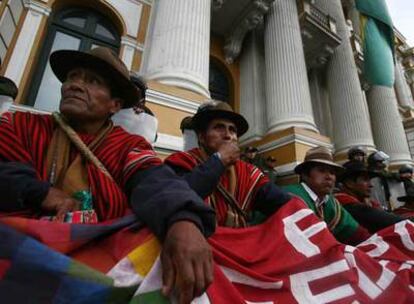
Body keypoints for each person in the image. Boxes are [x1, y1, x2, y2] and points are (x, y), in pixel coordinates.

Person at [0, 47, 216, 303]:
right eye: (73, 77)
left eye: (92, 81)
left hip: (95, 255)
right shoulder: (17, 125)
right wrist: (41, 192)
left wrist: (183, 221)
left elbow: (154, 180)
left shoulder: (127, 146)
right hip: (21, 247)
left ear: (114, 104)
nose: (75, 86)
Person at [165, 100, 291, 228]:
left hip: (238, 244)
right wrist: (219, 160)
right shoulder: (182, 161)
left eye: (232, 130)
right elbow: (176, 198)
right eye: (219, 127)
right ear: (202, 137)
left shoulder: (248, 173)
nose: (227, 135)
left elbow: (283, 204)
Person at [284, 146, 371, 245]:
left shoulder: (330, 201)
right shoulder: (291, 196)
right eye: (321, 170)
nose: (329, 177)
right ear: (305, 175)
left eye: (332, 172)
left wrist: (373, 243)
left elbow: (355, 232)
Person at [335, 161, 405, 233]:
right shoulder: (347, 204)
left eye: (370, 180)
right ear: (349, 183)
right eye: (365, 180)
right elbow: (390, 220)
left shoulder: (367, 203)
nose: (371, 185)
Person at [112, 73, 158, 143]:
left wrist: (141, 118)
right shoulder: (115, 104)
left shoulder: (146, 112)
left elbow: (152, 136)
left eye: (137, 92)